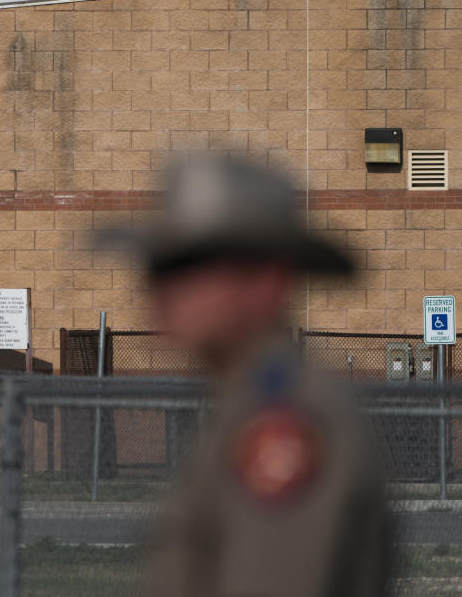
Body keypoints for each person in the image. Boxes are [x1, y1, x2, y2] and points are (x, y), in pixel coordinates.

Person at [107, 155, 390, 596]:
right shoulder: (247, 405)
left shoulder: (284, 424)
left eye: (189, 265)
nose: (160, 288)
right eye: (158, 266)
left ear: (267, 281)